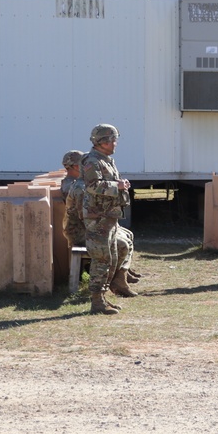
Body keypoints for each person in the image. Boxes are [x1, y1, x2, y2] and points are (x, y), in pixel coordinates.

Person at [61, 149, 142, 285]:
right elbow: (86, 216)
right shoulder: (78, 186)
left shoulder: (79, 182)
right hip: (82, 231)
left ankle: (122, 273)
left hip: (87, 228)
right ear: (76, 166)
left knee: (127, 235)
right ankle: (115, 279)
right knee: (122, 244)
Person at [80, 124, 138, 315]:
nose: (115, 143)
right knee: (102, 259)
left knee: (111, 257)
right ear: (101, 142)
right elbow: (92, 186)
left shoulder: (106, 160)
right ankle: (96, 302)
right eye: (112, 140)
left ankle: (103, 297)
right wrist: (117, 185)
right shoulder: (92, 161)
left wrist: (119, 185)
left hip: (108, 217)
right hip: (98, 218)